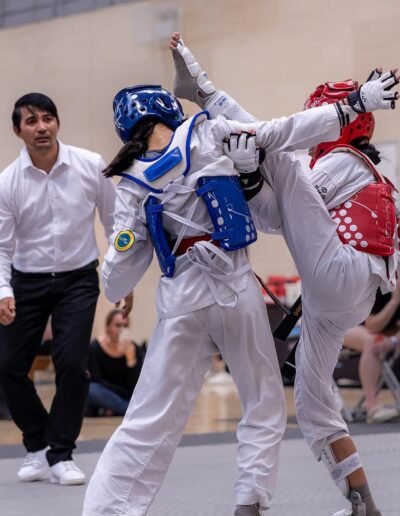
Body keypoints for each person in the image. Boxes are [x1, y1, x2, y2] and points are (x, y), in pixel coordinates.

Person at [81, 72, 362, 516]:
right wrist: (351, 106)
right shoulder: (209, 130)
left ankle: (105, 511)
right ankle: (249, 502)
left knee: (146, 422)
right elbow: (281, 131)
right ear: (168, 109)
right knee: (264, 402)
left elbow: (116, 280)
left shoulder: (131, 184)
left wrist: (123, 239)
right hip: (235, 292)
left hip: (180, 304)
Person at [169, 34, 399, 516]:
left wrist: (251, 155)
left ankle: (205, 90)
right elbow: (277, 217)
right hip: (340, 298)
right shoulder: (356, 171)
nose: (314, 131)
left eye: (323, 118)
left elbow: (282, 181)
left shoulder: (342, 160)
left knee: (279, 154)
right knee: (315, 407)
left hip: (339, 273)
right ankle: (364, 505)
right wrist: (251, 177)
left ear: (341, 123)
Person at [0, 93, 117, 485]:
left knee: (71, 363)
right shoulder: (7, 182)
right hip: (26, 280)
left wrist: (122, 277)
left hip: (78, 279)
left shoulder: (90, 165)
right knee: (8, 367)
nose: (41, 127)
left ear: (58, 123)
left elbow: (116, 224)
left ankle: (62, 452)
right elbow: (1, 246)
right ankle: (37, 446)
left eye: (48, 118)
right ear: (18, 130)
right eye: (31, 121)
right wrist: (3, 290)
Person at [342, 281, 400, 423]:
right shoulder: (381, 285)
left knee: (377, 340)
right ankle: (371, 406)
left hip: (382, 332)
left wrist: (393, 341)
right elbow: (372, 326)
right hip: (346, 325)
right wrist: (394, 301)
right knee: (372, 342)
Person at [86, 308, 142, 417]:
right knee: (91, 390)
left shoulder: (134, 348)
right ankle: (128, 410)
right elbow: (97, 380)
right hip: (106, 392)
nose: (121, 330)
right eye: (117, 325)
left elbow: (136, 385)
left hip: (126, 394)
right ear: (107, 328)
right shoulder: (95, 347)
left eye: (125, 326)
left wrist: (131, 360)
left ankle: (115, 408)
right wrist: (119, 393)